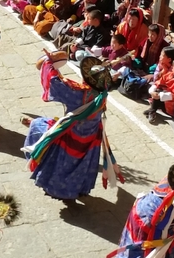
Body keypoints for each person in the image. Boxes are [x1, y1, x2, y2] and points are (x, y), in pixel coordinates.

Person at [22, 53, 123, 199]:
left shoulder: (78, 94)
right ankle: (78, 188)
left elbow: (54, 82)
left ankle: (54, 187)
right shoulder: (102, 96)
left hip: (72, 134)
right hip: (90, 137)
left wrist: (49, 63)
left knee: (38, 125)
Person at [145, 57, 174, 124]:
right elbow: (159, 82)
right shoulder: (169, 75)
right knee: (156, 89)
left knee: (159, 92)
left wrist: (159, 95)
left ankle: (152, 111)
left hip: (172, 105)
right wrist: (152, 91)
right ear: (172, 68)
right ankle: (153, 110)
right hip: (163, 99)